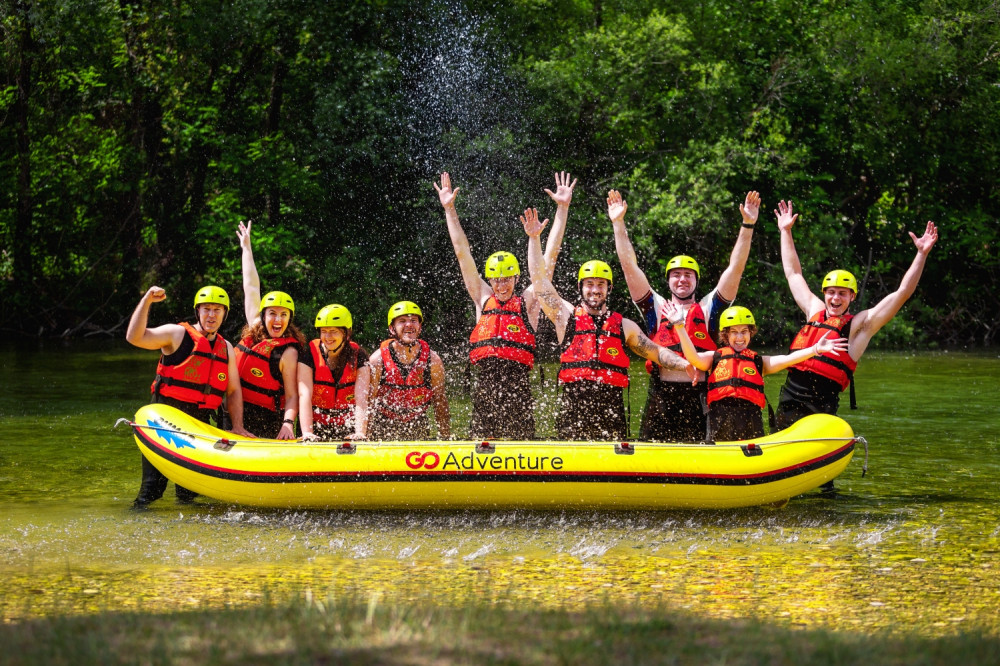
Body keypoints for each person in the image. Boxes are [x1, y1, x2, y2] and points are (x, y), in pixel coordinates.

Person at [608, 188, 761, 441]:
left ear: (696, 281)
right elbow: (628, 265)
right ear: (668, 281)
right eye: (676, 275)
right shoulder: (655, 307)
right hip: (661, 395)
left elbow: (736, 268)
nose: (682, 279)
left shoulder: (711, 308)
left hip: (700, 396)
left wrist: (747, 225)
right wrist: (618, 223)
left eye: (688, 275)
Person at [434, 171, 576, 439]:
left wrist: (562, 208)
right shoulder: (482, 298)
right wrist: (449, 209)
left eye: (507, 280)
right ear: (490, 279)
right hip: (484, 396)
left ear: (516, 278)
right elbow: (461, 251)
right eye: (496, 280)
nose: (501, 286)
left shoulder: (529, 303)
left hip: (519, 395)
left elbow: (550, 259)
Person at [774, 200, 939, 429]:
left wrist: (921, 254)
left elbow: (902, 293)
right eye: (831, 293)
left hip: (821, 410)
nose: (835, 299)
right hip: (789, 401)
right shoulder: (813, 310)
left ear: (852, 297)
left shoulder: (860, 326)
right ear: (824, 293)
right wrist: (785, 231)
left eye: (842, 294)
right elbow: (793, 273)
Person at [522, 209, 681, 440]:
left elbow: (656, 352)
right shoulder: (564, 317)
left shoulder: (624, 326)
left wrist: (687, 365)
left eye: (600, 284)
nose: (595, 290)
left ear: (609, 288)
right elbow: (539, 282)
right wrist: (534, 240)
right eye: (589, 284)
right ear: (580, 287)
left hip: (612, 417)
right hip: (572, 416)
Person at [125, 285, 252, 508]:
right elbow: (134, 337)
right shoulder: (177, 334)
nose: (211, 315)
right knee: (152, 489)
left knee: (190, 493)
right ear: (198, 312)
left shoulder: (226, 348)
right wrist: (146, 300)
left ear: (225, 314)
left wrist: (238, 426)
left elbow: (232, 391)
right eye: (206, 309)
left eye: (217, 310)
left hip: (199, 421)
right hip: (165, 418)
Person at [666, 304, 847, 441]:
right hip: (719, 423)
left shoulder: (759, 362)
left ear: (751, 333)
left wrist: (815, 349)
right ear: (725, 336)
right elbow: (692, 357)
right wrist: (680, 326)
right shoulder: (713, 358)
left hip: (750, 424)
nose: (739, 337)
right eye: (734, 332)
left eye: (744, 331)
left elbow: (788, 359)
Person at [236, 220, 305, 438]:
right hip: (236, 411)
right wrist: (246, 247)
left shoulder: (289, 352)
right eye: (272, 313)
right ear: (263, 315)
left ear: (289, 319)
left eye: (283, 314)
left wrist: (287, 424)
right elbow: (251, 287)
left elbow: (293, 395)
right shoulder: (255, 326)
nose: (278, 319)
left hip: (268, 417)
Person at [361, 301, 451, 441]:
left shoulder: (433, 360)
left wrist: (445, 437)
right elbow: (369, 402)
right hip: (383, 421)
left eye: (413, 321)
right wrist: (364, 438)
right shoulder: (377, 360)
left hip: (417, 421)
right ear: (392, 329)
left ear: (419, 327)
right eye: (402, 321)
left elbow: (440, 401)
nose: (409, 325)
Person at [297, 304, 371, 441]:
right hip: (315, 425)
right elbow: (304, 394)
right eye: (324, 331)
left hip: (348, 426)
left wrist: (360, 432)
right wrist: (307, 433)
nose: (328, 336)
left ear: (346, 333)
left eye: (334, 331)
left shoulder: (360, 356)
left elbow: (362, 398)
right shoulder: (308, 355)